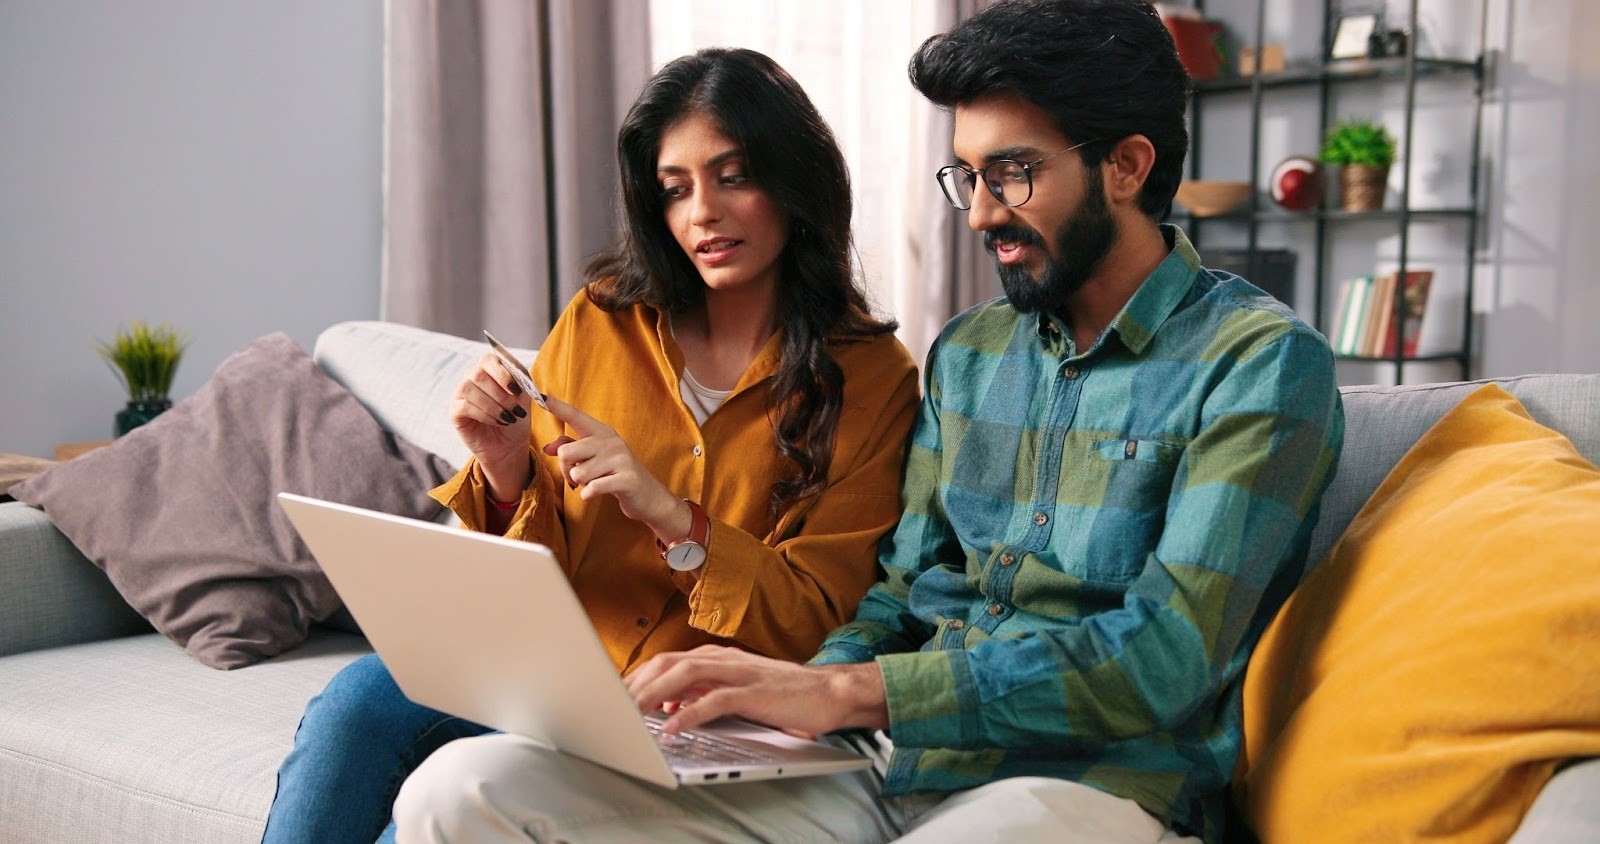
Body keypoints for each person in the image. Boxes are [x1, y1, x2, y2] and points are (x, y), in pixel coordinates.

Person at [390, 1, 1346, 842]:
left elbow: (1165, 656)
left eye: (1011, 174)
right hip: (887, 765)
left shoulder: (1259, 364)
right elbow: (899, 594)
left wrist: (844, 689)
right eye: (966, 176)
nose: (979, 215)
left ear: (1128, 166)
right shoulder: (972, 354)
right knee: (465, 789)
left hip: (1092, 784)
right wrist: (772, 717)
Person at [260, 47, 919, 844]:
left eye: (733, 175)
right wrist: (504, 470)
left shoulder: (874, 378)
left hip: (695, 711)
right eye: (675, 190)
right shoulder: (602, 318)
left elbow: (821, 619)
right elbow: (531, 570)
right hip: (554, 681)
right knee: (361, 696)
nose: (701, 213)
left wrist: (676, 519)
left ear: (793, 179)